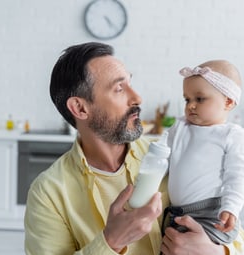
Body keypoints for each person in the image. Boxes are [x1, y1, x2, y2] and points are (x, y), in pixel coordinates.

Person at [24, 43, 244, 255]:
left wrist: (219, 251)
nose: (137, 97)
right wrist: (110, 242)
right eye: (120, 88)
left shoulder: (171, 153)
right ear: (80, 108)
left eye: (130, 83)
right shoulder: (48, 194)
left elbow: (231, 228)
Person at [164, 60, 244, 245]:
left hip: (211, 213)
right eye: (187, 99)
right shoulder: (180, 127)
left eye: (199, 99)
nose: (191, 105)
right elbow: (162, 154)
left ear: (228, 101)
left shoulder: (231, 135)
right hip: (176, 213)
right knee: (170, 245)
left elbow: (237, 176)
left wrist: (231, 208)